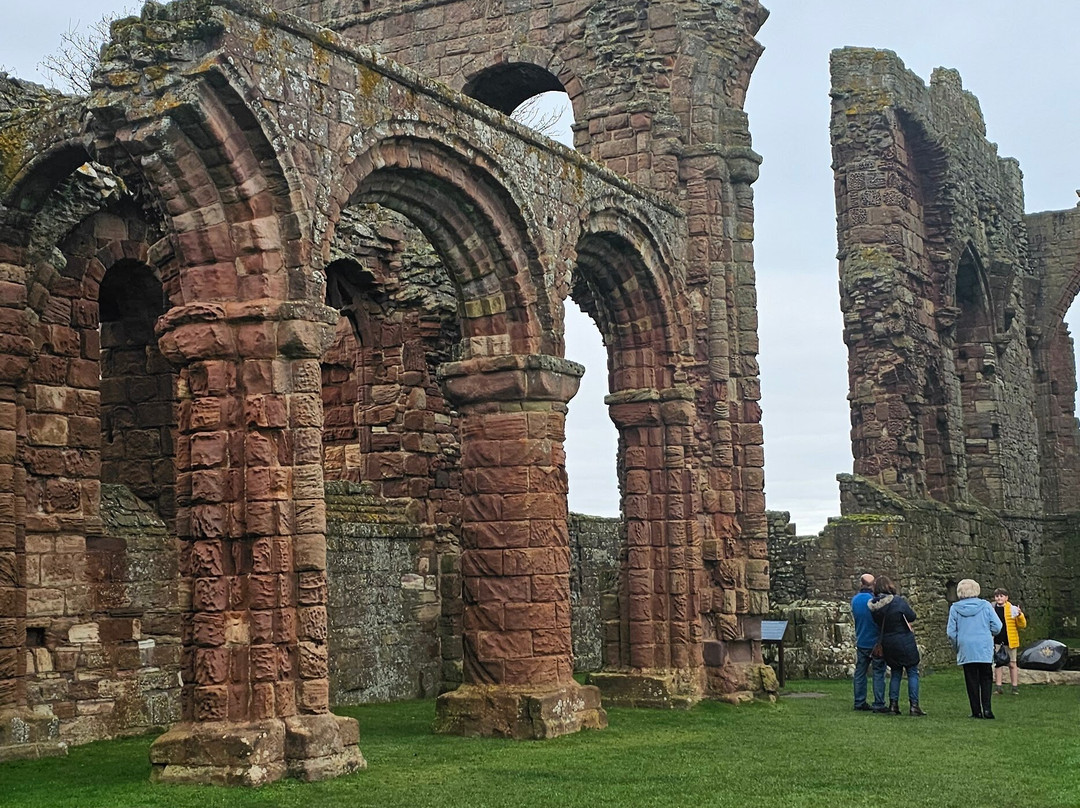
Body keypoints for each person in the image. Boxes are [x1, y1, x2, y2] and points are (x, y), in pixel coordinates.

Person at [868, 575, 924, 716]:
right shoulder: (897, 601)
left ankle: (893, 705)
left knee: (896, 673)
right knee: (912, 671)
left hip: (887, 641)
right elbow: (911, 616)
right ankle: (914, 705)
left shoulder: (874, 606)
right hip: (903, 638)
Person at [947, 578, 1003, 719]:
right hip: (983, 645)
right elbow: (997, 626)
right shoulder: (985, 606)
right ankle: (988, 709)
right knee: (986, 677)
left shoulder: (955, 608)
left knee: (971, 678)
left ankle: (976, 711)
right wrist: (989, 632)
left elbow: (951, 632)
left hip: (966, 646)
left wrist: (957, 645)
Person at [850, 573, 886, 712]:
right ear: (873, 585)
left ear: (861, 584)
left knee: (860, 672)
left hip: (862, 640)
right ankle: (879, 702)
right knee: (878, 672)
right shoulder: (874, 600)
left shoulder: (855, 600)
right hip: (875, 642)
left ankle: (859, 701)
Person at [991, 587, 1027, 695]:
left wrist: (1020, 615)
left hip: (1010, 641)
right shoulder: (992, 609)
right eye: (997, 596)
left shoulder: (1012, 609)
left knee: (1012, 664)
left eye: (1001, 596)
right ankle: (998, 687)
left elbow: (1022, 625)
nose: (999, 598)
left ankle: (1015, 687)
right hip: (997, 640)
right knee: (998, 664)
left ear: (1006, 597)